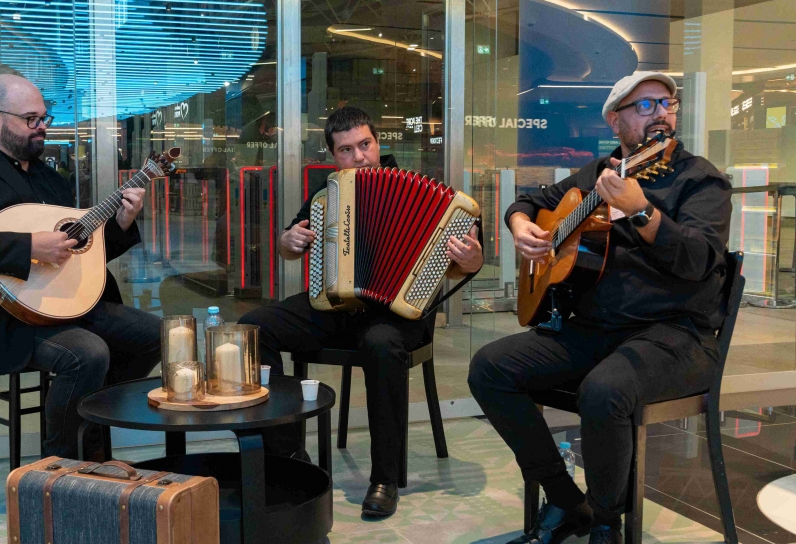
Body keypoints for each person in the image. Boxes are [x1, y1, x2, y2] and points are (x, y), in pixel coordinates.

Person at [468, 71, 732, 544]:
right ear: (616, 120)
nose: (661, 113)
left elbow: (698, 261)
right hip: (595, 330)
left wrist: (643, 211)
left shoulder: (701, 179)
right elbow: (530, 200)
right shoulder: (599, 172)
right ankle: (569, 501)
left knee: (604, 392)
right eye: (646, 106)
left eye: (667, 103)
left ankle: (608, 522)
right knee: (490, 367)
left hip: (676, 337)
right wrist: (519, 223)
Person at [239, 106, 483, 517]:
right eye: (346, 150)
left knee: (381, 346)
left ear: (377, 142)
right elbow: (288, 248)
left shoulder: (426, 191)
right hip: (336, 307)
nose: (359, 157)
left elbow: (464, 264)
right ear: (334, 155)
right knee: (254, 328)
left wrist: (472, 258)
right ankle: (288, 455)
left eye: (365, 145)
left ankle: (384, 478)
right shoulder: (327, 193)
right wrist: (290, 239)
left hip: (398, 313)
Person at [0, 74, 160, 460]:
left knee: (154, 334)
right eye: (32, 119)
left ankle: (91, 426)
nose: (43, 127)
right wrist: (29, 246)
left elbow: (78, 250)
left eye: (45, 118)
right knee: (87, 352)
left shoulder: (51, 179)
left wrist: (120, 224)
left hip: (61, 303)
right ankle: (63, 464)